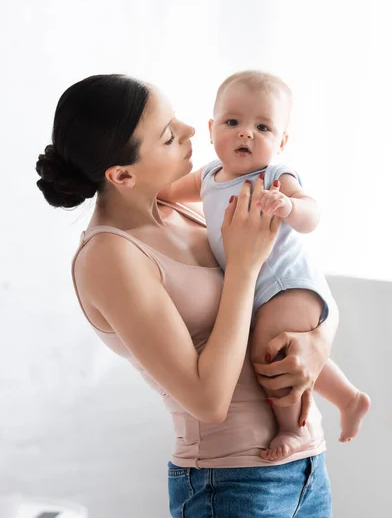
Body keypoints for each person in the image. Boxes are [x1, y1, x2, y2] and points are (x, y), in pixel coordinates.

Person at [36, 74, 339, 517]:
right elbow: (207, 401)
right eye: (168, 135)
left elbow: (296, 279)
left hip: (307, 465)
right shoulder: (109, 257)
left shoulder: (187, 208)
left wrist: (318, 341)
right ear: (121, 174)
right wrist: (242, 267)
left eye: (177, 119)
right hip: (232, 485)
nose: (192, 132)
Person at [159, 70, 371, 464]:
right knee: (290, 354)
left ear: (282, 141)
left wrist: (289, 206)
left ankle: (291, 428)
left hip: (288, 284)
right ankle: (348, 397)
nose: (246, 134)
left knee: (268, 350)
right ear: (211, 128)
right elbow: (167, 192)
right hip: (260, 290)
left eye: (263, 126)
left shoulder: (274, 177)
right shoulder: (207, 176)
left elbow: (313, 214)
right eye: (233, 122)